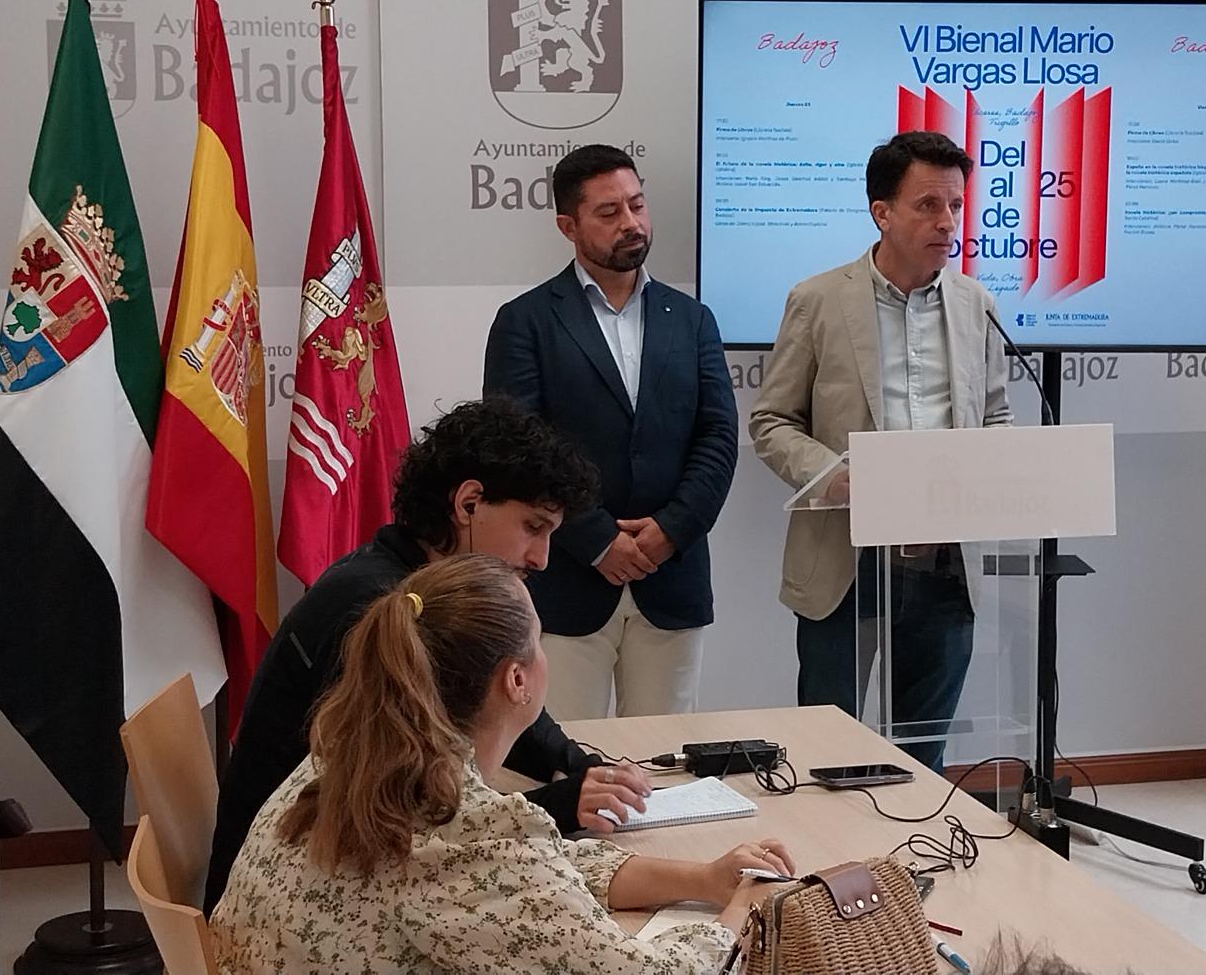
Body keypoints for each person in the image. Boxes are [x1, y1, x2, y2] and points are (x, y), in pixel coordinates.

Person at [211, 555, 793, 975]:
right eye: (538, 639)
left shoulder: (345, 753)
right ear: (516, 680)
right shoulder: (464, 829)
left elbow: (535, 868)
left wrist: (700, 880)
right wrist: (745, 913)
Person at [204, 398, 647, 912]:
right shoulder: (378, 608)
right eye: (533, 527)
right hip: (284, 898)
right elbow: (411, 814)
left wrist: (579, 767)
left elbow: (493, 697)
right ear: (468, 504)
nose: (541, 559)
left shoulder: (402, 580)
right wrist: (560, 804)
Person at [748, 131, 1012, 771]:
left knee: (922, 753)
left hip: (945, 563)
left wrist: (992, 474)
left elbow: (997, 417)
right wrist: (837, 477)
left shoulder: (977, 304)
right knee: (828, 748)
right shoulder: (818, 300)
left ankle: (919, 832)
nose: (947, 221)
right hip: (846, 558)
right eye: (928, 205)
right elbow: (772, 421)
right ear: (882, 212)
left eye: (956, 205)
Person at [484, 144, 738, 721]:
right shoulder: (526, 322)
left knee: (666, 758)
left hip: (671, 579)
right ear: (568, 226)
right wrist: (598, 539)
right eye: (609, 212)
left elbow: (718, 436)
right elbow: (517, 449)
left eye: (637, 205)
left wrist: (671, 530)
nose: (631, 223)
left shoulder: (693, 319)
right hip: (568, 578)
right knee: (568, 753)